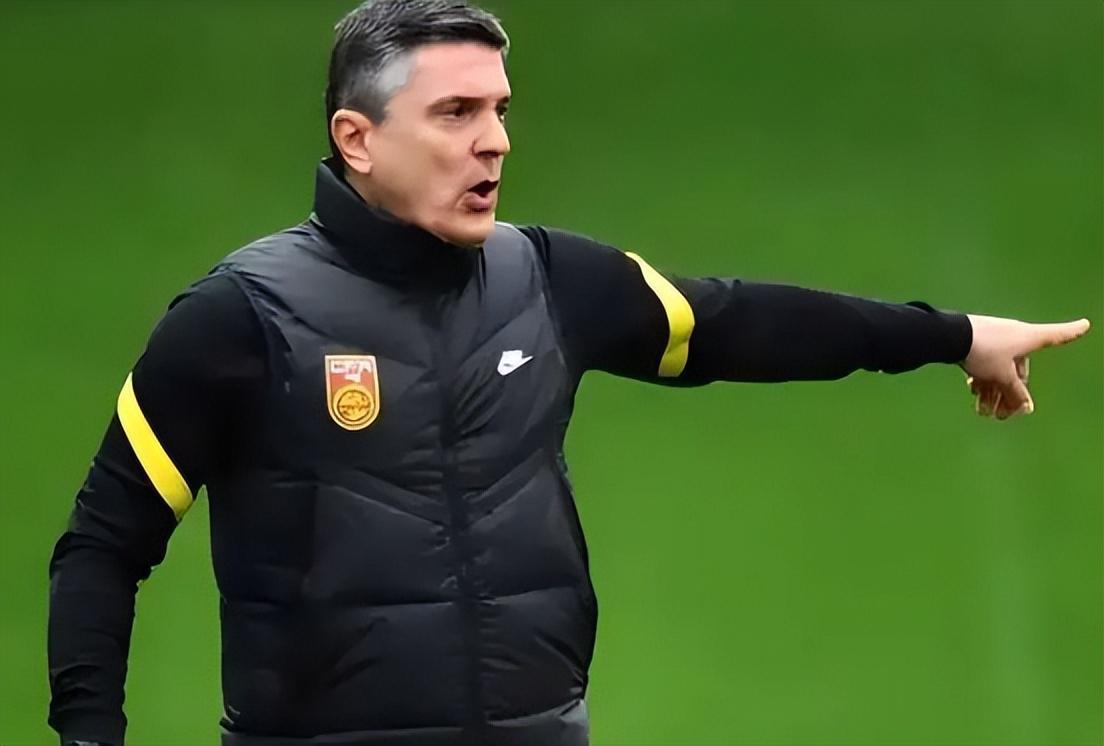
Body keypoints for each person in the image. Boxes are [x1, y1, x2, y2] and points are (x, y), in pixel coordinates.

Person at [46, 1, 1090, 745]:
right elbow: (103, 547)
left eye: (500, 110)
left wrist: (955, 335)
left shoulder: (547, 279)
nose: (495, 142)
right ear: (356, 139)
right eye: (456, 114)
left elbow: (736, 324)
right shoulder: (239, 317)